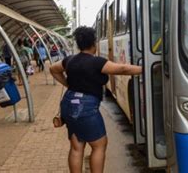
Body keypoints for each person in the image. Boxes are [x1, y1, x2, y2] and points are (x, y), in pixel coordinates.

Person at [50, 26, 142, 173]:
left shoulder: (69, 60)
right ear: (94, 44)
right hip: (85, 107)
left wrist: (68, 84)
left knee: (76, 146)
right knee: (99, 145)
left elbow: (53, 69)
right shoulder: (97, 62)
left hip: (68, 103)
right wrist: (147, 68)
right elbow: (123, 69)